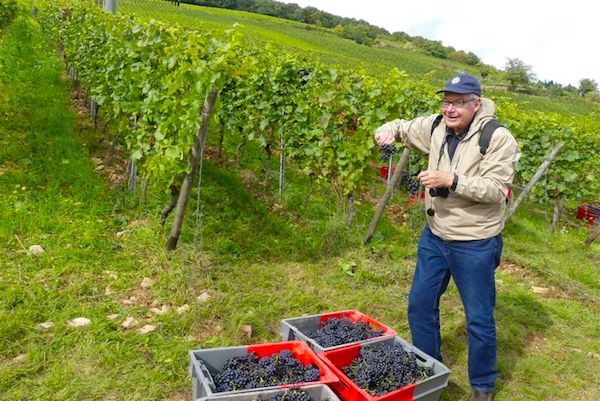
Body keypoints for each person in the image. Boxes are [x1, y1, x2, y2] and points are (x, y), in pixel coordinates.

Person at [374, 72, 520, 401]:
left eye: (458, 103)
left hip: (475, 242)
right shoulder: (437, 126)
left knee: (479, 319)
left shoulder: (497, 138)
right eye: (446, 101)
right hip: (435, 236)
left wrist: (452, 179)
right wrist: (387, 130)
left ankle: (482, 387)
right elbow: (404, 128)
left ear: (476, 103)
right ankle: (429, 371)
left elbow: (497, 190)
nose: (450, 109)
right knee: (420, 305)